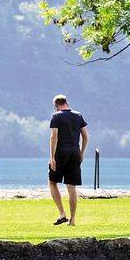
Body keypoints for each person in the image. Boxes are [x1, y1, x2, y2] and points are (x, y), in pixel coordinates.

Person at [47, 94, 87, 226]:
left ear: (56, 106)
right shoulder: (78, 115)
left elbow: (54, 137)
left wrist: (52, 157)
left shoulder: (56, 116)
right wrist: (81, 153)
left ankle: (62, 213)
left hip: (61, 153)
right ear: (67, 103)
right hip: (75, 152)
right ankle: (73, 220)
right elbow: (85, 136)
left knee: (52, 182)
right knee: (71, 187)